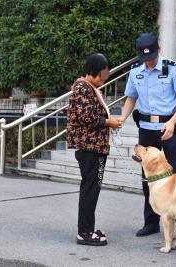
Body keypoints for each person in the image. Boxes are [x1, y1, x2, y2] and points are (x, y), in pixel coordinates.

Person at [118, 33, 176, 244]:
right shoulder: (136, 72)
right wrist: (122, 118)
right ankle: (151, 223)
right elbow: (131, 98)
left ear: (158, 50)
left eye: (152, 57)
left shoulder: (172, 68)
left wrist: (172, 122)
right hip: (146, 129)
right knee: (147, 177)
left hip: (169, 128)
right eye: (145, 58)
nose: (149, 62)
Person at [66, 53, 122, 246]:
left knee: (93, 188)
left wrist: (109, 122)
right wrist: (109, 122)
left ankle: (88, 228)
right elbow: (85, 117)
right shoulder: (83, 88)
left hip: (96, 147)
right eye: (101, 75)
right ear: (92, 71)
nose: (103, 79)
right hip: (89, 148)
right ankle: (84, 232)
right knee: (90, 189)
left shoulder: (90, 88)